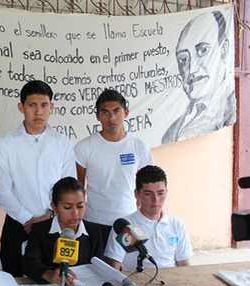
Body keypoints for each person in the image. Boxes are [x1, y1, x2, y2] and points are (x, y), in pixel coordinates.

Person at [0, 80, 76, 277]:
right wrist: (27, 219)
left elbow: (68, 187)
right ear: (21, 107)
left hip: (54, 224)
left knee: (55, 282)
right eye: (32, 105)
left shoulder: (62, 143)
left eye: (44, 105)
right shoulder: (6, 143)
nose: (38, 111)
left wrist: (50, 215)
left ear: (51, 107)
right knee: (14, 284)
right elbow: (0, 190)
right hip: (17, 225)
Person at [75, 89, 153, 246]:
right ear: (97, 116)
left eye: (116, 111)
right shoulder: (84, 147)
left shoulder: (138, 146)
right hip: (94, 221)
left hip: (129, 222)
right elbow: (78, 187)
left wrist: (144, 216)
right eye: (105, 112)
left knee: (129, 267)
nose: (111, 118)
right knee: (97, 266)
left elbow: (148, 185)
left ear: (126, 112)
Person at [162, 10, 236, 144]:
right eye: (183, 59)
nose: (192, 69)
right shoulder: (170, 133)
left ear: (224, 50)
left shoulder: (233, 112)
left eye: (203, 50)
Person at [104, 165, 193, 271]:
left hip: (170, 283)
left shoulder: (176, 224)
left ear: (167, 192)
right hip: (137, 284)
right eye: (148, 194)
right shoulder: (126, 226)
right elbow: (114, 267)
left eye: (160, 193)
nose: (156, 200)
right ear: (137, 194)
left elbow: (184, 264)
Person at [23, 177, 103, 286]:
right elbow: (29, 263)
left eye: (80, 206)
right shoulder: (39, 230)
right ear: (54, 207)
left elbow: (100, 267)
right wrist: (48, 274)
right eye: (67, 207)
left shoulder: (95, 232)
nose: (75, 213)